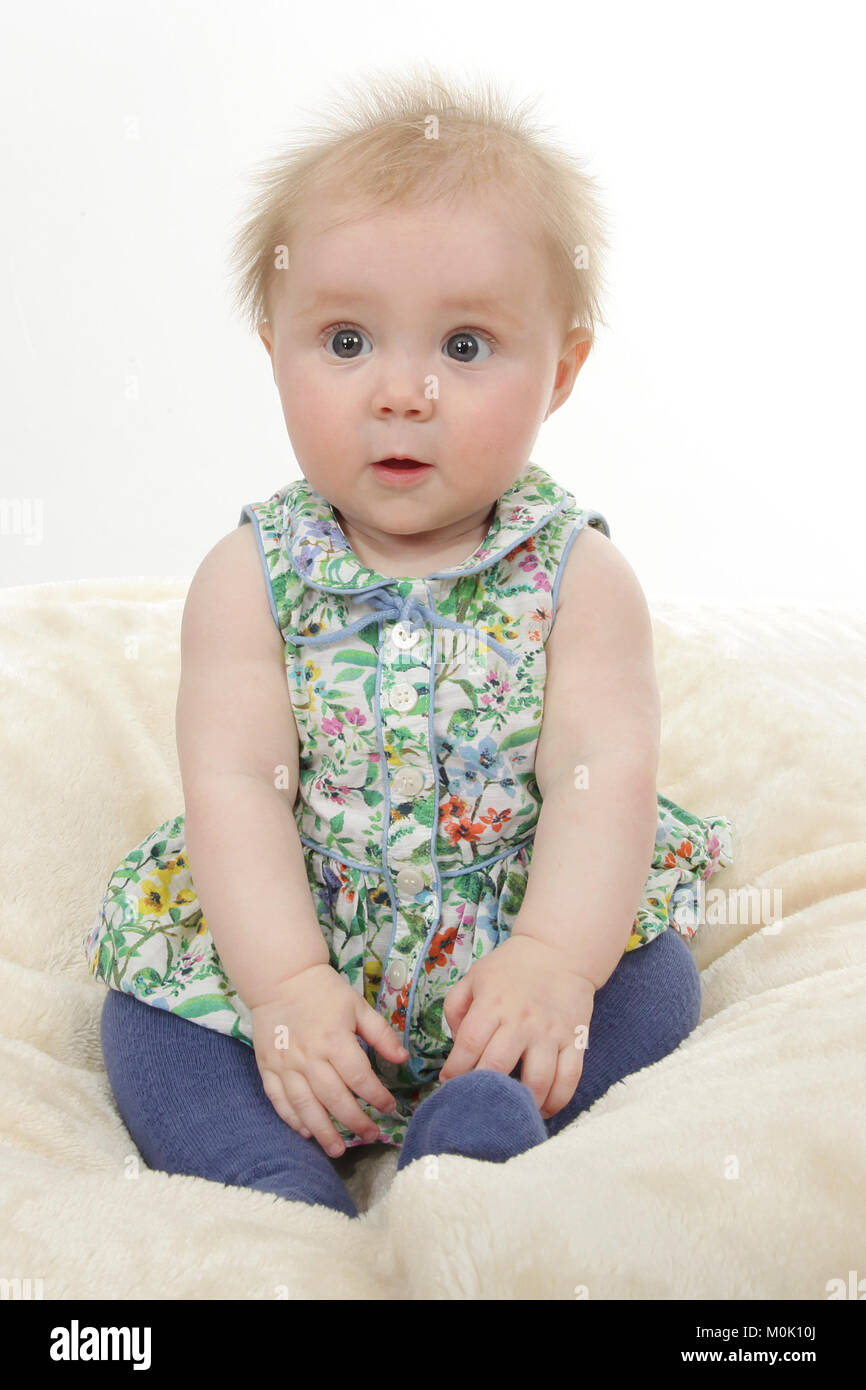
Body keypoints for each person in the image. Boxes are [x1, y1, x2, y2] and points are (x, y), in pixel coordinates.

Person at [86, 65, 733, 1221]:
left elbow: (603, 784)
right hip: (293, 928)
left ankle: (481, 1125)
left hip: (515, 930)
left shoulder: (578, 578)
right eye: (343, 340)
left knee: (653, 984)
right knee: (145, 1017)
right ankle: (264, 1173)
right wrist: (282, 986)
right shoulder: (249, 577)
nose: (401, 391)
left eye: (467, 347)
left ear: (561, 371)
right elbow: (234, 787)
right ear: (272, 345)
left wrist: (552, 960)